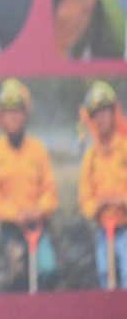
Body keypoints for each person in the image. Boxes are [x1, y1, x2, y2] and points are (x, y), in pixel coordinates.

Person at [0, 78, 59, 292]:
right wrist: (16, 215)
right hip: (10, 229)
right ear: (0, 117)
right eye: (7, 112)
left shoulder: (38, 150)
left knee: (48, 269)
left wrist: (39, 210)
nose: (13, 116)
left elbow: (50, 191)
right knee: (15, 276)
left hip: (38, 226)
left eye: (17, 111)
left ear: (25, 114)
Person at [78, 81, 127, 289]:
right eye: (96, 114)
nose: (101, 118)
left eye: (105, 111)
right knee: (106, 277)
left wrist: (121, 201)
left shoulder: (124, 149)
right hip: (102, 229)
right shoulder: (90, 157)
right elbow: (85, 197)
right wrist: (98, 206)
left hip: (125, 227)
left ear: (113, 113)